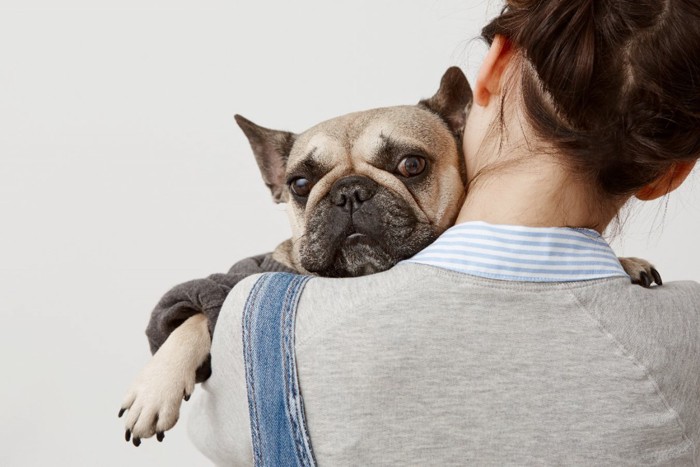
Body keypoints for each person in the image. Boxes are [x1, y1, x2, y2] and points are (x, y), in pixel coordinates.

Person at [188, 0, 700, 464]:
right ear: (671, 172)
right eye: (307, 184)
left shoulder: (259, 326)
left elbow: (215, 429)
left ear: (494, 67)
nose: (351, 199)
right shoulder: (689, 335)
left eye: (409, 165)